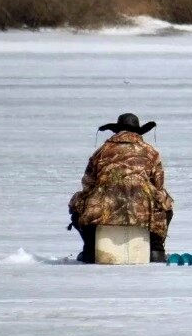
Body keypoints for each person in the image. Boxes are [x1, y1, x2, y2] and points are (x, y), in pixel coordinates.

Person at [68, 113, 174, 263]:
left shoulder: (102, 151)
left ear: (117, 131)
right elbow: (159, 184)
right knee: (166, 203)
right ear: (138, 131)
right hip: (142, 207)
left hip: (103, 206)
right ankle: (156, 249)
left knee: (77, 203)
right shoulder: (150, 151)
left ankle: (91, 249)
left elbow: (88, 183)